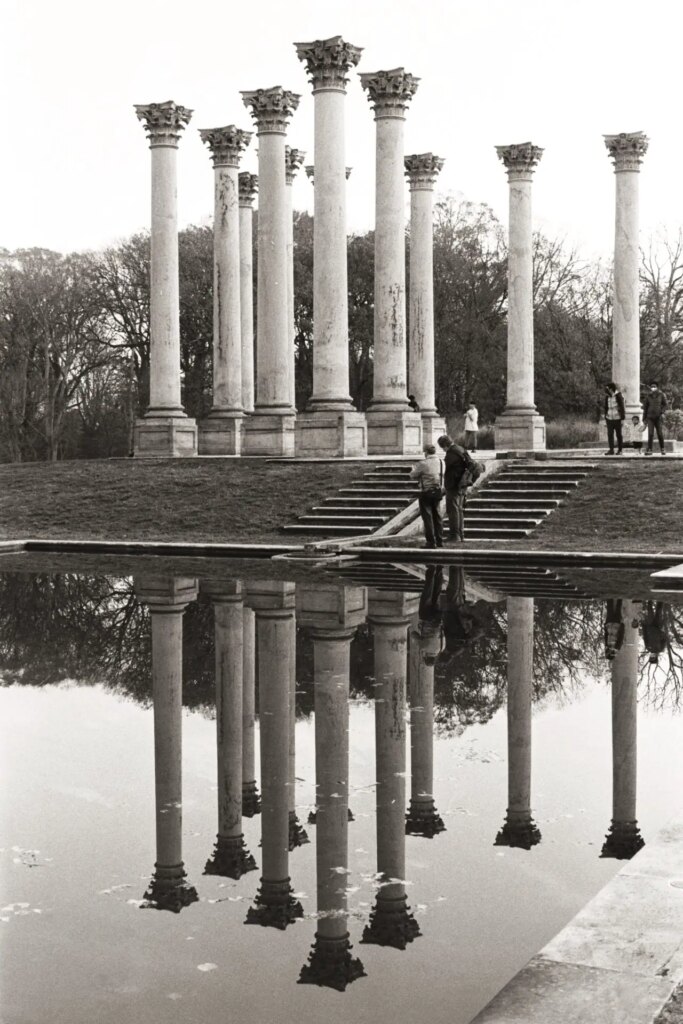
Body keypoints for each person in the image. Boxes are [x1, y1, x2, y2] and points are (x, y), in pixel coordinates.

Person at [437, 434, 474, 543]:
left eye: (442, 447)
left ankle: (455, 535)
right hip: (462, 483)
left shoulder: (452, 452)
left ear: (445, 445)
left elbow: (445, 467)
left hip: (454, 484)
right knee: (459, 509)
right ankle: (460, 534)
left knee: (453, 510)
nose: (443, 450)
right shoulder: (460, 449)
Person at [409, 443, 444, 549]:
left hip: (426, 492)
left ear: (426, 452)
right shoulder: (442, 462)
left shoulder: (423, 463)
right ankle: (439, 540)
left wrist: (413, 469)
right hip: (438, 491)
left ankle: (430, 542)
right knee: (437, 516)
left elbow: (412, 476)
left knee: (427, 517)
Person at [642, 381, 668, 455]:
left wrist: (662, 412)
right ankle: (650, 449)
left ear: (657, 387)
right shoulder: (648, 396)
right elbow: (645, 408)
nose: (653, 388)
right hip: (650, 417)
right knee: (650, 434)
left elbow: (665, 405)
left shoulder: (661, 395)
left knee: (660, 433)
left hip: (658, 417)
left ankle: (662, 449)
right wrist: (644, 419)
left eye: (654, 386)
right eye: (651, 386)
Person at [641, 601, 667, 665]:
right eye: (653, 658)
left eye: (650, 657)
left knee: (649, 609)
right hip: (658, 626)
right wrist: (661, 631)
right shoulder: (661, 649)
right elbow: (664, 639)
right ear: (656, 657)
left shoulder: (648, 647)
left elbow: (645, 636)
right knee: (659, 611)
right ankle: (660, 597)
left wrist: (643, 625)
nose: (651, 656)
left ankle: (650, 597)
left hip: (649, 626)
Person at [603, 382, 625, 455]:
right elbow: (606, 407)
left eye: (607, 388)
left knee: (618, 434)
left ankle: (620, 450)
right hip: (609, 418)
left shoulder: (618, 396)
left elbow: (622, 407)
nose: (606, 390)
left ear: (611, 389)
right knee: (610, 434)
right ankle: (611, 450)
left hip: (617, 418)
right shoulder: (607, 397)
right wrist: (605, 417)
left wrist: (622, 418)